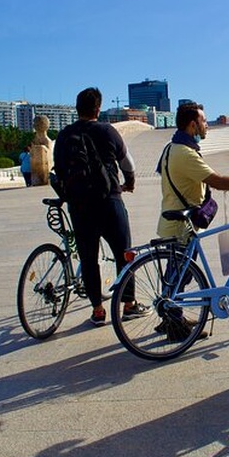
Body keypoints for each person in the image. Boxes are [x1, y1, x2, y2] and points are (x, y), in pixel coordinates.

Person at [53, 87, 141, 327]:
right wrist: (129, 183)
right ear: (98, 108)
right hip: (108, 200)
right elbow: (127, 163)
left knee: (88, 257)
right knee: (124, 252)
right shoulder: (107, 131)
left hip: (79, 205)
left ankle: (98, 310)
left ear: (77, 108)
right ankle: (129, 305)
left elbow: (58, 171)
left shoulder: (63, 136)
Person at [156, 102, 229, 241]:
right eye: (204, 121)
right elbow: (219, 183)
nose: (207, 126)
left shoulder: (171, 147)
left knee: (183, 263)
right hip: (181, 229)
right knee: (181, 263)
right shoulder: (185, 153)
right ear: (193, 125)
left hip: (172, 223)